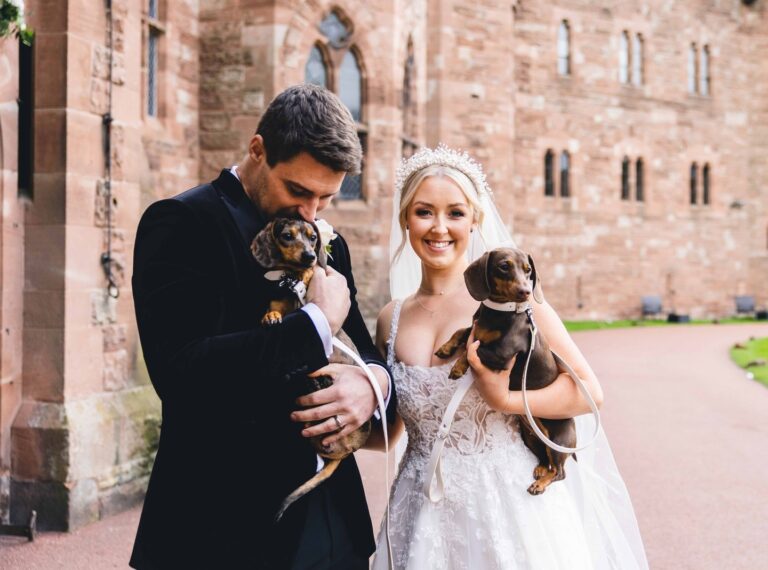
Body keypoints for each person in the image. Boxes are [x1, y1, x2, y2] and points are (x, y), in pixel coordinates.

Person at [130, 84, 396, 570]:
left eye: (326, 198)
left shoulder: (327, 243)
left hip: (332, 525)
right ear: (258, 150)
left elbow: (367, 352)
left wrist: (373, 383)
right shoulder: (181, 223)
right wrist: (314, 324)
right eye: (298, 191)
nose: (309, 214)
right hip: (218, 527)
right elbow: (179, 372)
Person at [370, 145, 648, 569]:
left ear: (475, 219)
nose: (439, 227)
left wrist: (506, 400)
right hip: (418, 509)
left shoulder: (517, 306)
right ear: (405, 218)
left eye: (455, 213)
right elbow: (391, 432)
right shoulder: (390, 319)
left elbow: (590, 393)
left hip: (506, 505)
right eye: (424, 212)